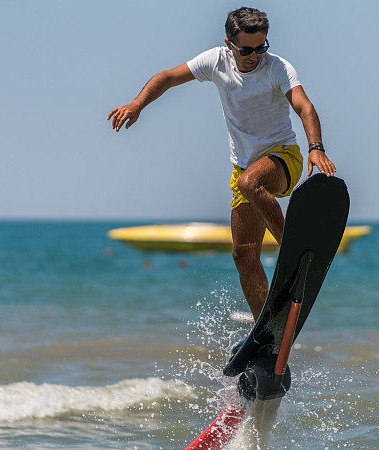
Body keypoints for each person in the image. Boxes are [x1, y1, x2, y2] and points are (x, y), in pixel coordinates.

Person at [107, 7, 336, 321]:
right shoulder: (215, 61)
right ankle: (265, 330)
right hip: (244, 167)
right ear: (229, 44)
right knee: (243, 256)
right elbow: (167, 77)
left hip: (284, 158)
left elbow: (303, 105)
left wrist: (316, 148)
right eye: (246, 50)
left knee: (250, 182)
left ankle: (294, 254)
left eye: (261, 47)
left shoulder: (277, 68)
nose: (254, 55)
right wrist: (137, 104)